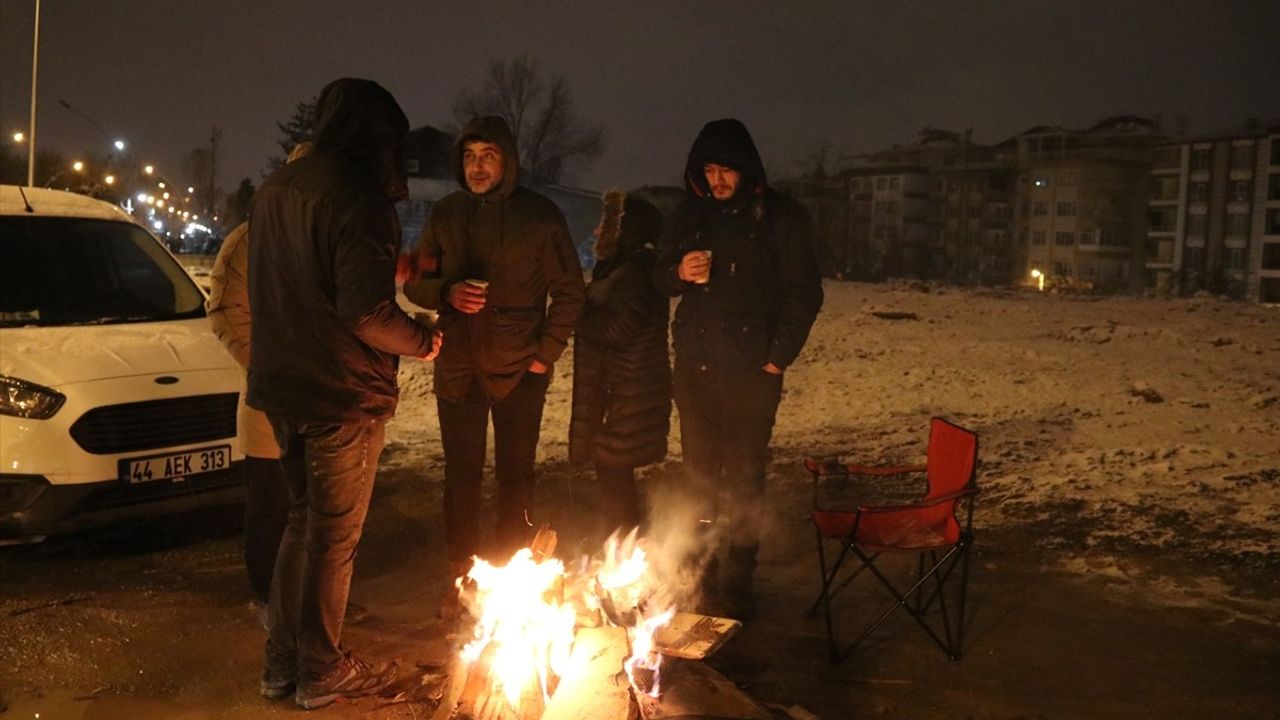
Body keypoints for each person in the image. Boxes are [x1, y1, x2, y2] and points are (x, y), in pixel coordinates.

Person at [246, 78, 441, 710]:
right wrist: (423, 340)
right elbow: (366, 315)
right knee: (333, 539)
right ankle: (323, 669)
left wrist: (388, 269)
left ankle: (283, 666)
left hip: (282, 384)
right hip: (339, 393)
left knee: (303, 526)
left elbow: (309, 275)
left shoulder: (278, 187)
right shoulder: (358, 195)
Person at [653, 118, 824, 619]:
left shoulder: (781, 216)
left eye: (726, 170)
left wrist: (777, 357)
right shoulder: (690, 214)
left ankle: (741, 574)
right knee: (700, 474)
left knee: (746, 472)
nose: (717, 180)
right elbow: (658, 275)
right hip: (696, 368)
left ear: (746, 169)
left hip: (753, 371)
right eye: (708, 170)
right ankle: (702, 572)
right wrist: (678, 272)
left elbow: (804, 292)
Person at [403, 116, 585, 578]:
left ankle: (510, 573)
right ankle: (460, 572)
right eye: (469, 157)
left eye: (488, 156)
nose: (477, 167)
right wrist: (447, 292)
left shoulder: (540, 217)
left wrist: (545, 356)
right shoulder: (445, 214)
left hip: (520, 369)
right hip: (459, 367)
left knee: (515, 478)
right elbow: (415, 281)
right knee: (461, 477)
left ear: (507, 160)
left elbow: (570, 292)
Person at [206, 141, 368, 630]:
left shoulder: (332, 240)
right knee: (273, 506)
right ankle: (268, 598)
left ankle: (317, 605)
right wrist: (271, 368)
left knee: (323, 511)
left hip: (325, 397)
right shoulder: (250, 239)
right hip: (272, 398)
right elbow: (224, 312)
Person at [568, 191, 671, 535]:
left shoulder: (638, 271)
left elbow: (615, 329)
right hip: (621, 394)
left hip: (630, 396)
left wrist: (574, 310)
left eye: (605, 225)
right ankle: (622, 550)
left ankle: (624, 552)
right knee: (612, 473)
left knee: (614, 473)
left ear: (625, 230)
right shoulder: (621, 267)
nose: (597, 232)